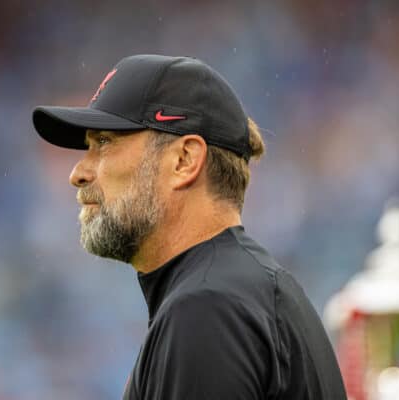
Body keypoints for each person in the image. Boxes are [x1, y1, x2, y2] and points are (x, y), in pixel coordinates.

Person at [32, 54, 346, 399]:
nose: (77, 173)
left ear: (184, 161)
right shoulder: (236, 290)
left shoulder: (206, 308)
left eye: (104, 142)